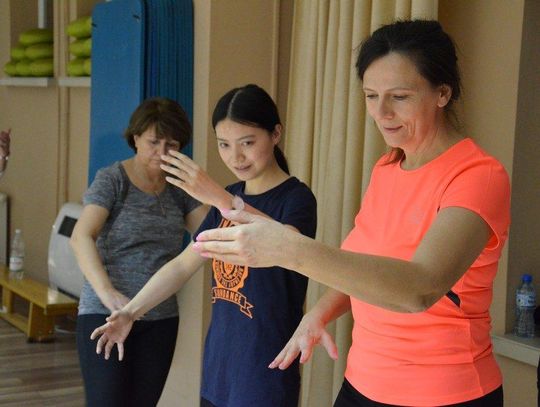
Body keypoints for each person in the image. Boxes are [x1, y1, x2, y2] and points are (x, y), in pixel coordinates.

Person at [192, 20, 511, 407]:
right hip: (363, 383)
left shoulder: (477, 176)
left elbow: (420, 288)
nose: (382, 112)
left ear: (442, 93)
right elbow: (361, 267)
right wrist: (320, 314)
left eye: (400, 97)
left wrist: (289, 249)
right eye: (371, 95)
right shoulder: (389, 168)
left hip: (444, 392)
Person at [90, 84, 317, 407]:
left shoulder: (295, 199)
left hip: (265, 370)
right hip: (220, 366)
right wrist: (130, 312)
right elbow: (183, 265)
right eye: (224, 145)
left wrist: (219, 198)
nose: (235, 157)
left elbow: (285, 244)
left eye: (248, 143)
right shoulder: (230, 194)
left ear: (276, 134)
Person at [70, 97, 209, 407]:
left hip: (158, 318)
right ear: (135, 138)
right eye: (153, 142)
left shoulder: (178, 190)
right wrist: (108, 294)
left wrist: (202, 188)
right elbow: (81, 237)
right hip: (104, 313)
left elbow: (212, 236)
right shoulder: (113, 180)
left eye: (171, 145)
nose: (161, 154)